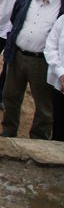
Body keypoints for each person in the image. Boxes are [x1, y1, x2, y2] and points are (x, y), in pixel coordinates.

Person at [1, 0, 64, 139]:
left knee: (43, 104)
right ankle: (8, 131)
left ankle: (39, 137)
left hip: (42, 61)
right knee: (10, 96)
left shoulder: (61, 6)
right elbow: (15, 21)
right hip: (17, 56)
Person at [44, 13, 64, 141]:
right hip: (60, 84)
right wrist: (61, 74)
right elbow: (51, 47)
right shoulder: (62, 20)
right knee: (59, 127)